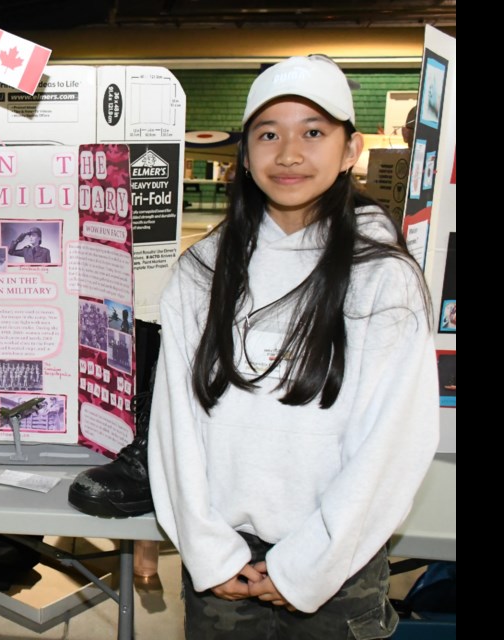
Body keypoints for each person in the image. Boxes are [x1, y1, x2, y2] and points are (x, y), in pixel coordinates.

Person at [147, 55, 439, 638]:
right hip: (226, 556)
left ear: (350, 149)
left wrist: (307, 564)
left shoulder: (383, 278)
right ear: (246, 153)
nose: (288, 154)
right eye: (268, 134)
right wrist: (209, 551)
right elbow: (175, 425)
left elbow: (394, 442)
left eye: (313, 132)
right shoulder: (202, 270)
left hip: (340, 561)